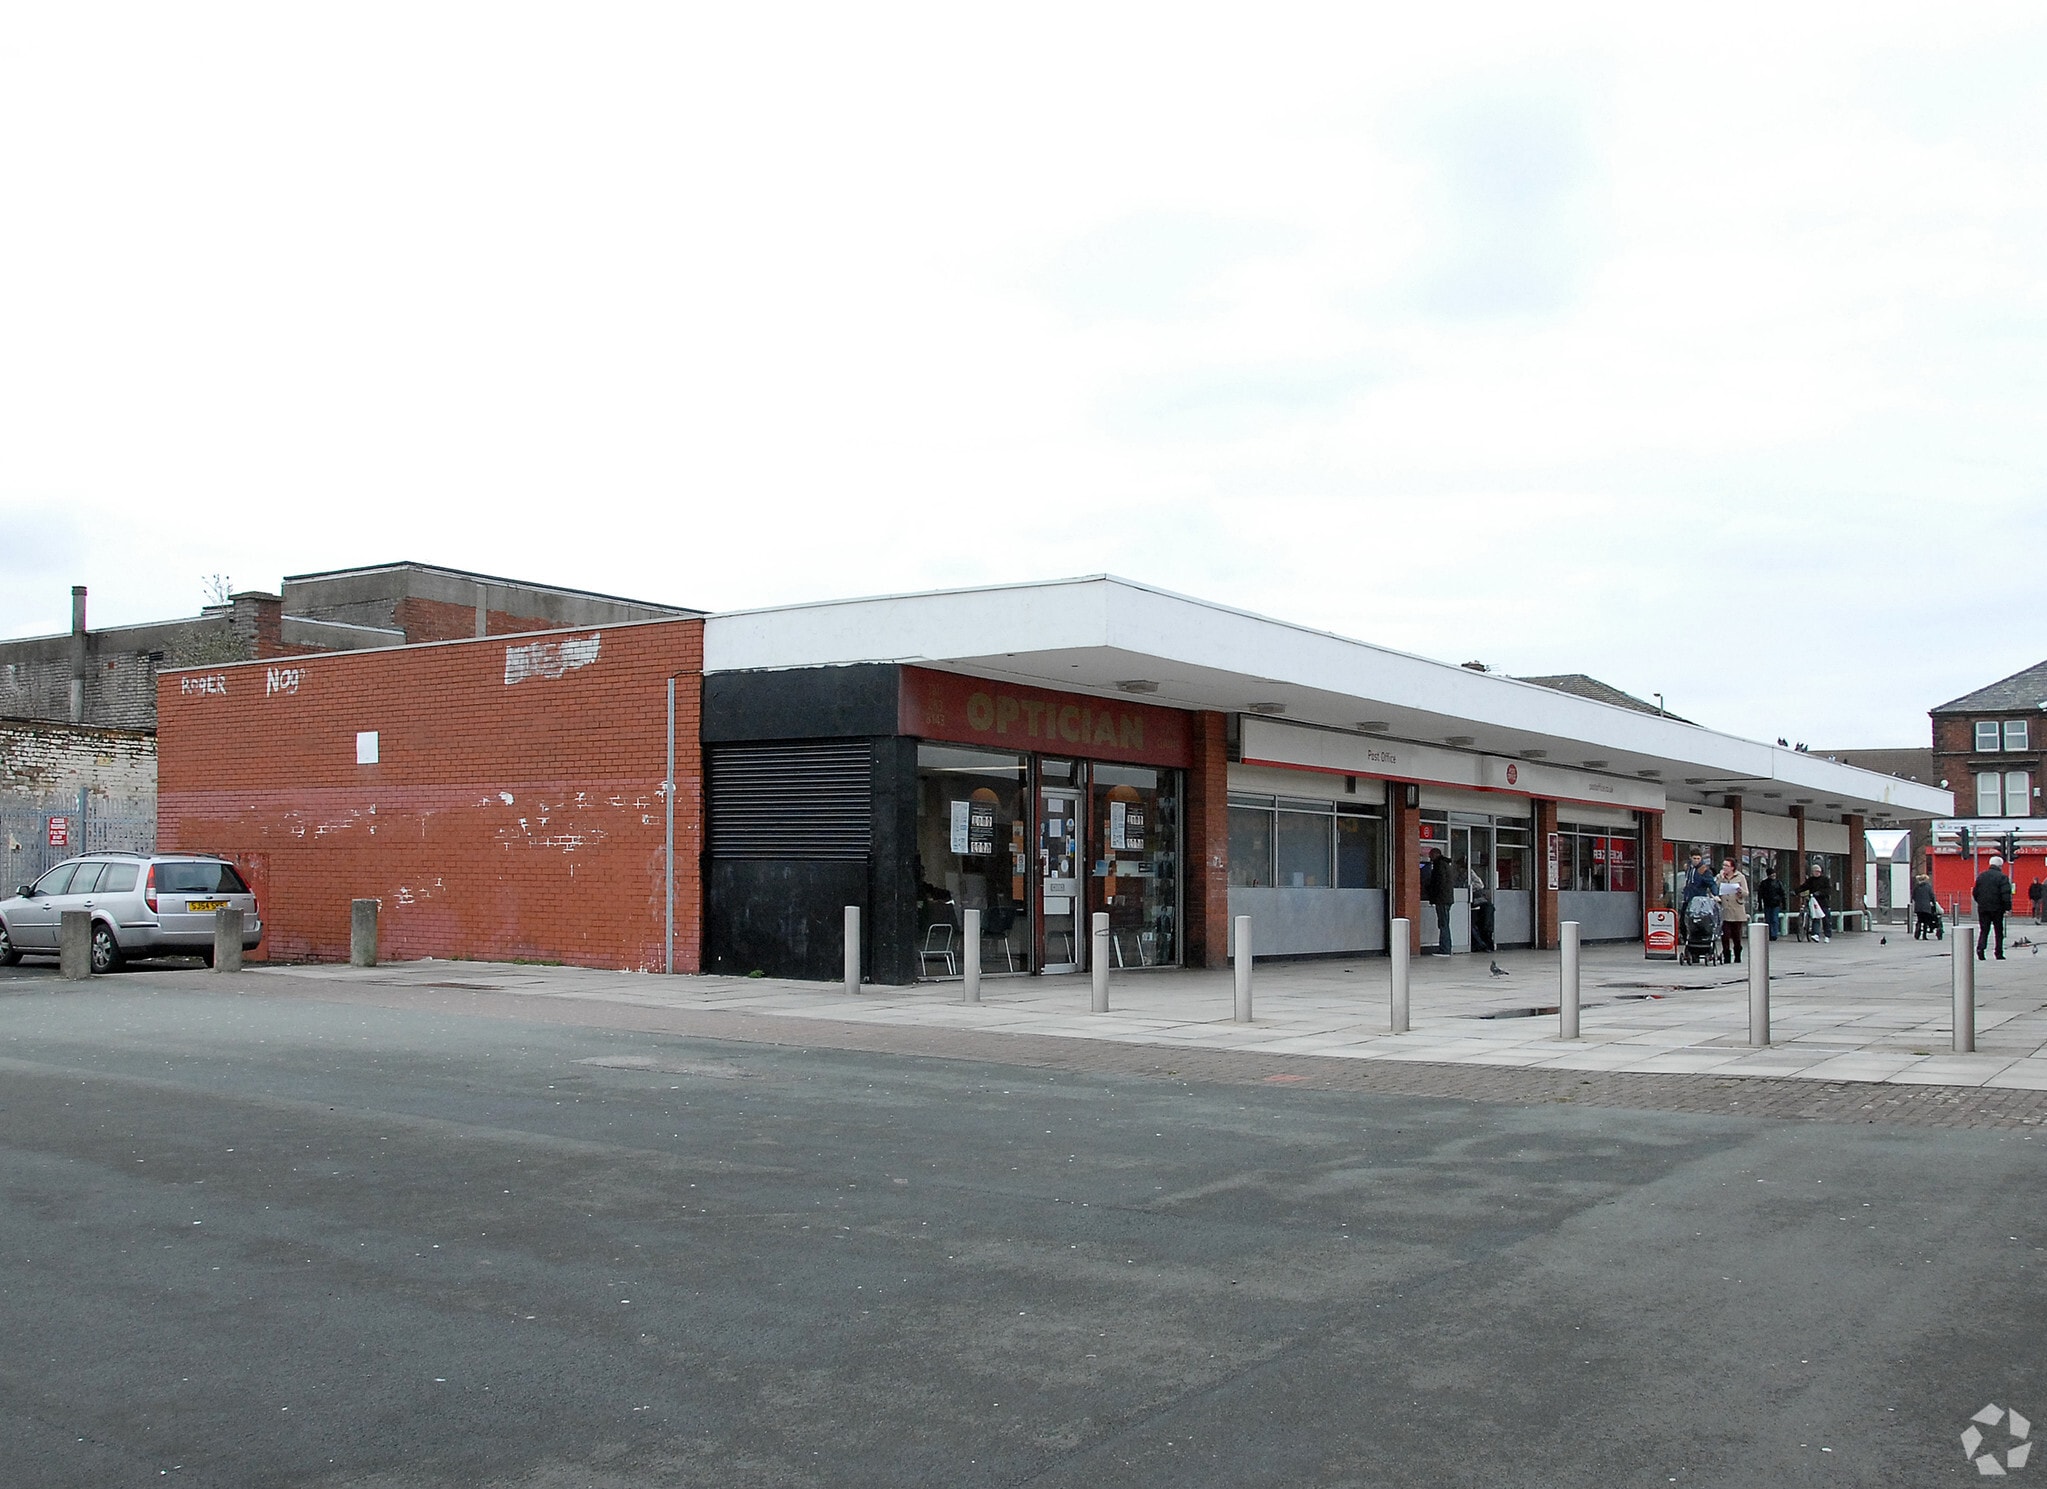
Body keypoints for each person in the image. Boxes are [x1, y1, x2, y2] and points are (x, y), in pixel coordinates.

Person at [1974, 854, 2014, 961]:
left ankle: (1980, 949)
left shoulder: (1981, 876)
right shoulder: (2002, 877)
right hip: (1997, 908)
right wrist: (2007, 908)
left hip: (1983, 908)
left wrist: (1981, 902)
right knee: (1998, 930)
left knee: (1984, 929)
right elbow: (2005, 894)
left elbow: (1975, 892)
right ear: (2000, 866)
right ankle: (1998, 952)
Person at [1715, 857, 1750, 963]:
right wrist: (1720, 878)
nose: (1724, 868)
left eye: (1727, 866)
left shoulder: (1740, 877)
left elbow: (1746, 893)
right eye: (1723, 865)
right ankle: (1726, 955)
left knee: (1736, 935)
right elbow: (1714, 888)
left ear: (1732, 867)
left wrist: (1740, 890)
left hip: (1736, 909)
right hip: (1724, 908)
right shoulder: (1720, 877)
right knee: (1725, 934)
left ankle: (1738, 954)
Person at [1425, 847, 1454, 955]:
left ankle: (1445, 949)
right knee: (1444, 924)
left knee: (1443, 924)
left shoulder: (1439, 865)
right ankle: (1445, 948)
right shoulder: (1445, 864)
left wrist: (1429, 890)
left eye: (1430, 855)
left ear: (1435, 854)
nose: (1429, 857)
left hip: (1442, 899)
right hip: (1446, 899)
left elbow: (1438, 883)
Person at [1799, 862, 1833, 943]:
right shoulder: (1810, 880)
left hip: (1823, 902)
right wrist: (1795, 891)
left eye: (1818, 871)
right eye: (1815, 871)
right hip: (1814, 902)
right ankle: (1815, 934)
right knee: (1815, 918)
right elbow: (1804, 887)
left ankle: (1827, 935)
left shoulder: (1825, 880)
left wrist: (1819, 893)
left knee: (1826, 919)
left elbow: (1828, 890)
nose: (1817, 873)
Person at [1758, 867, 1787, 941]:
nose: (1773, 875)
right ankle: (1770, 933)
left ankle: (1773, 934)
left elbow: (1782, 894)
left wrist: (1784, 904)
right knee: (1769, 920)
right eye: (1772, 874)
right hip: (1768, 903)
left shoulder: (1778, 883)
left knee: (1774, 919)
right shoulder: (1764, 883)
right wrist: (1760, 904)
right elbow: (1760, 894)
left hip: (1775, 904)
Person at [1910, 873, 1942, 941]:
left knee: (1919, 920)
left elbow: (1913, 896)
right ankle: (1924, 935)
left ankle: (1918, 930)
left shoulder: (1916, 887)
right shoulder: (1928, 887)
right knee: (1926, 922)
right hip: (1926, 907)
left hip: (1918, 908)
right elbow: (1932, 896)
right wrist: (1933, 903)